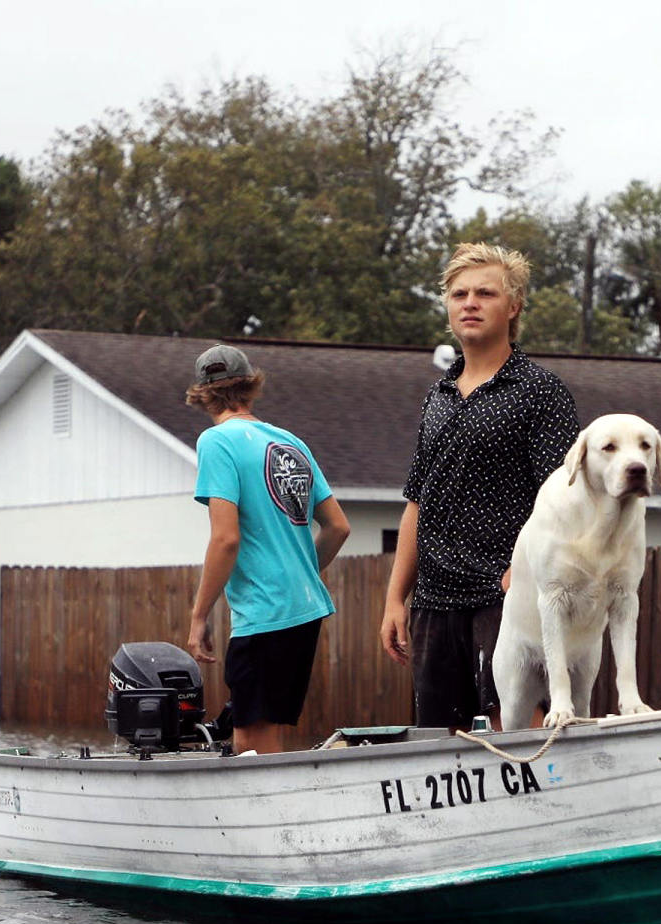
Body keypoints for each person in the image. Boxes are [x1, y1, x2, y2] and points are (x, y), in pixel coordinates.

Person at [380, 242, 580, 730]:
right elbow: (416, 503)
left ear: (512, 307)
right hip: (433, 602)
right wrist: (394, 599)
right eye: (459, 293)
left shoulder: (540, 392)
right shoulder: (437, 396)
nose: (469, 302)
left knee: (515, 726)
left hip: (506, 595)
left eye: (485, 293)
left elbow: (564, 499)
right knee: (438, 741)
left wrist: (525, 568)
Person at [186, 344, 351, 755]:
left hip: (264, 613)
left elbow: (226, 539)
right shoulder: (290, 442)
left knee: (250, 742)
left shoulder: (216, 442)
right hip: (306, 609)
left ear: (203, 394)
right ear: (251, 387)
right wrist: (300, 571)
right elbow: (337, 527)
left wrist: (199, 615)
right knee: (268, 729)